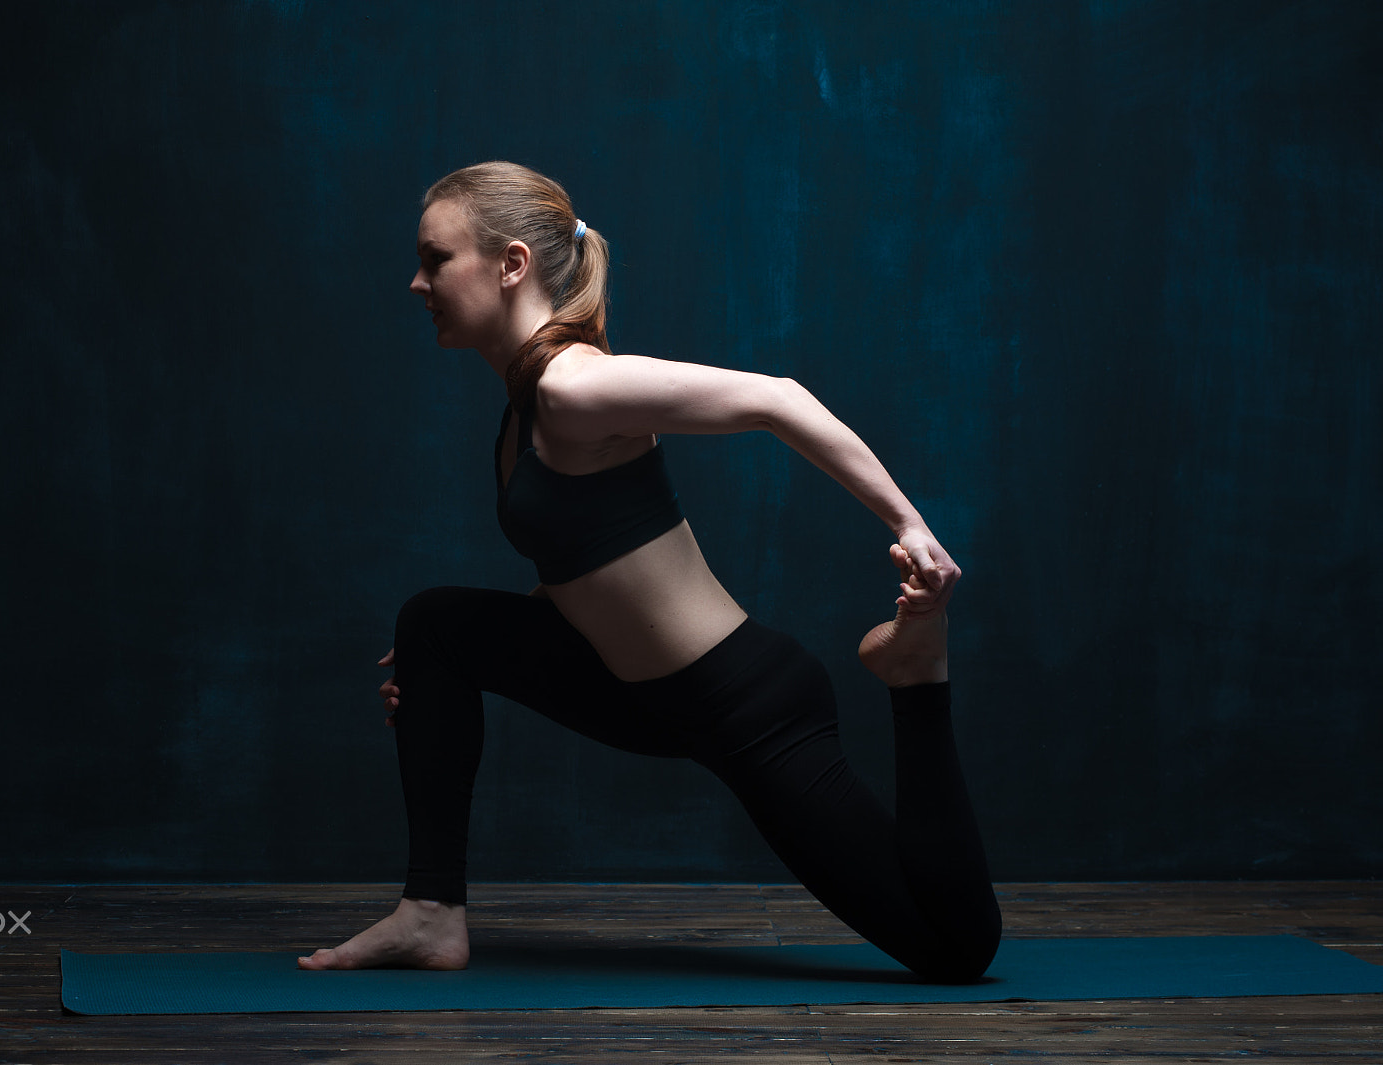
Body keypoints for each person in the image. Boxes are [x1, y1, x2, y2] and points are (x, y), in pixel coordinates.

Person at [297, 161, 1001, 982]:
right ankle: (430, 912)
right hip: (645, 695)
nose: (416, 282)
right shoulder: (522, 405)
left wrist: (909, 526)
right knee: (435, 626)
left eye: (435, 259)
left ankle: (918, 675)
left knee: (956, 948)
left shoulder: (575, 385)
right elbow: (582, 567)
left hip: (747, 706)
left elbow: (779, 398)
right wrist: (435, 681)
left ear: (511, 263)